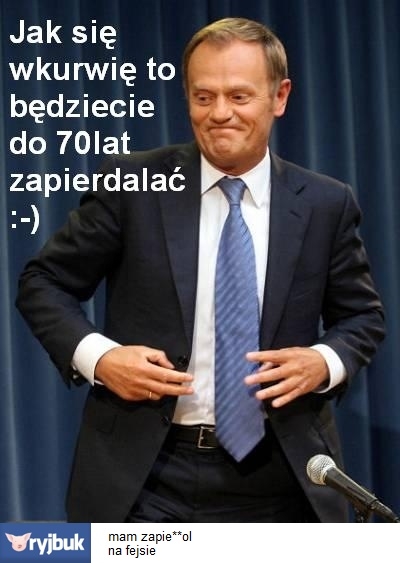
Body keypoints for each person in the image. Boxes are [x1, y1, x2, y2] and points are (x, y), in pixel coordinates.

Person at [16, 17, 385, 523]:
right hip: (147, 479)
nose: (219, 113)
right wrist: (102, 359)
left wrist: (323, 361)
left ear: (279, 97)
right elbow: (44, 283)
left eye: (239, 96)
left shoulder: (326, 203)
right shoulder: (133, 184)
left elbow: (362, 317)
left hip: (284, 478)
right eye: (203, 97)